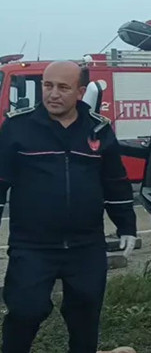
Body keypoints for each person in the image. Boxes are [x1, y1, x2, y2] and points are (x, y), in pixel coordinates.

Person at [0, 61, 137, 353]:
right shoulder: (17, 127)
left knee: (85, 315)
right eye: (48, 86)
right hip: (32, 246)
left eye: (63, 87)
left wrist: (127, 226)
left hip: (85, 246)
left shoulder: (98, 129)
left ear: (80, 92)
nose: (53, 94)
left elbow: (115, 182)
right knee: (25, 310)